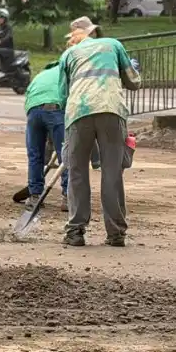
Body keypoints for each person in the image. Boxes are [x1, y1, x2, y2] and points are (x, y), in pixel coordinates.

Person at [58, 16, 141, 248]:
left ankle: (75, 232)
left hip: (78, 113)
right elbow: (134, 81)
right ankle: (115, 234)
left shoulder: (68, 55)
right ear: (93, 32)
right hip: (110, 110)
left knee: (77, 173)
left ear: (74, 36)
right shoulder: (113, 45)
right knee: (112, 173)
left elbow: (63, 95)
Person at [23, 61, 69, 210]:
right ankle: (68, 197)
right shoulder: (69, 72)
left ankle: (34, 196)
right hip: (56, 109)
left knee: (35, 154)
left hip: (33, 111)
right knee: (67, 156)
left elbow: (28, 94)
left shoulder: (42, 74)